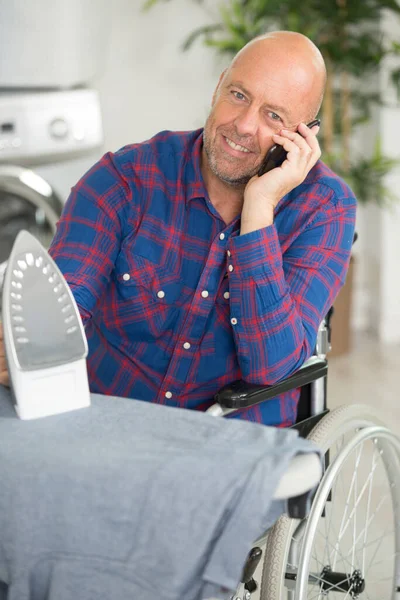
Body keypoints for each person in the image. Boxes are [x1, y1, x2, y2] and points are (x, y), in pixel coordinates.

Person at [0, 31, 356, 427]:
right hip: (113, 424)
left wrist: (259, 210)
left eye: (274, 116)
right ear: (219, 86)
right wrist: (34, 343)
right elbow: (62, 305)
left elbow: (270, 367)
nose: (242, 125)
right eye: (238, 95)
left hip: (232, 447)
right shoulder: (125, 180)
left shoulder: (325, 208)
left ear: (305, 134)